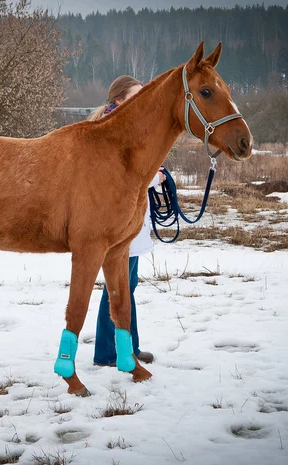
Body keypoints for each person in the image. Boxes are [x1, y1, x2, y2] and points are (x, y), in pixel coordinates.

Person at [88, 75, 165, 366]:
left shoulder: (130, 130)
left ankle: (127, 347)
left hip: (130, 222)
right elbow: (114, 178)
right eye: (136, 95)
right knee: (116, 289)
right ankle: (109, 353)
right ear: (119, 100)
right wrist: (149, 179)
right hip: (114, 222)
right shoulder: (109, 133)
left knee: (126, 287)